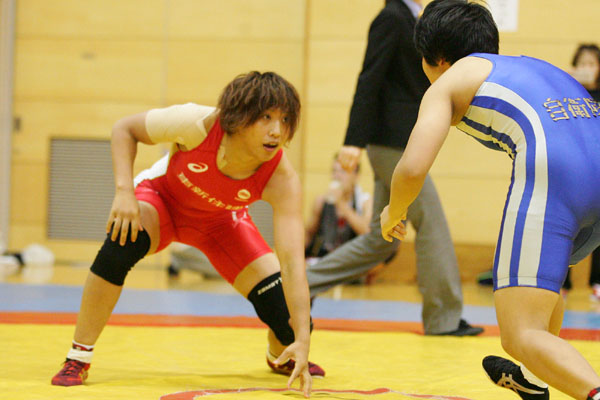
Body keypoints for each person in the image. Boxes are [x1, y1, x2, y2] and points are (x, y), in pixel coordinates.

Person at [50, 71, 323, 397]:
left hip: (222, 224)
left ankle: (280, 355)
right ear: (239, 116)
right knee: (122, 241)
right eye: (265, 118)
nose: (277, 131)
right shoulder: (197, 123)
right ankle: (78, 355)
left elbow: (292, 263)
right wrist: (124, 191)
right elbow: (125, 128)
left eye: (285, 119)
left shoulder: (282, 177)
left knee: (293, 318)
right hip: (162, 203)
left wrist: (303, 342)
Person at [381, 1, 600, 399]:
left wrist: (392, 211)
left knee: (520, 333)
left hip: (556, 177)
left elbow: (412, 168)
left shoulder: (447, 81)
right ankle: (534, 380)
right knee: (539, 292)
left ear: (436, 58)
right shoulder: (535, 66)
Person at [305, 0, 483, 336]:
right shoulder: (391, 17)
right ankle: (443, 318)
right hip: (390, 143)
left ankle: (300, 285)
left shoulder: (418, 16)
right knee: (430, 220)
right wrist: (352, 142)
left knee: (380, 240)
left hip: (402, 141)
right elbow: (369, 78)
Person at [562, 44, 600, 300]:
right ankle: (559, 282)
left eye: (592, 63)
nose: (587, 68)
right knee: (565, 227)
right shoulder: (566, 94)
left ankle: (596, 283)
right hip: (572, 171)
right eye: (582, 63)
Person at [304, 157, 372, 260]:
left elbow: (367, 232)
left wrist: (341, 203)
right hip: (325, 257)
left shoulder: (364, 201)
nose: (337, 176)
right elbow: (309, 233)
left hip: (353, 259)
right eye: (334, 171)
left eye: (343, 171)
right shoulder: (322, 201)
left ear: (356, 176)